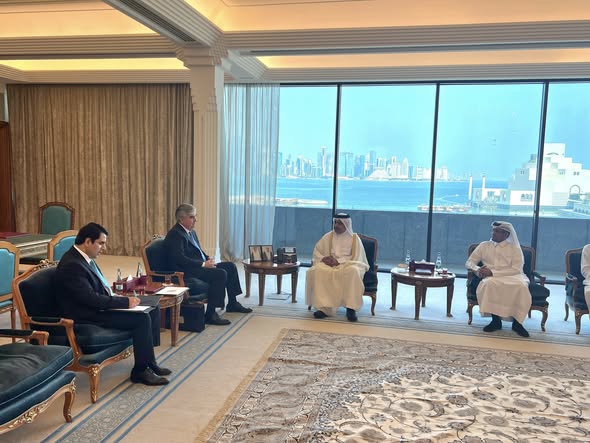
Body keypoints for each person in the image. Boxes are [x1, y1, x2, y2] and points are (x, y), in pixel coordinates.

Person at [54, 222, 171, 386]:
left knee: (152, 305)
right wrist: (124, 302)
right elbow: (89, 299)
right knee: (141, 319)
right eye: (101, 243)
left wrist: (119, 298)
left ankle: (150, 362)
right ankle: (140, 372)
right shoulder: (72, 265)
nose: (104, 248)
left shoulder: (83, 258)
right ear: (87, 241)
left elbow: (98, 289)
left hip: (97, 306)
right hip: (86, 315)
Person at [164, 203, 252, 326]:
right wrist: (203, 264)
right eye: (192, 217)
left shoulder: (191, 232)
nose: (196, 220)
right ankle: (210, 313)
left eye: (195, 216)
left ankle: (232, 303)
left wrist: (207, 258)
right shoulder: (175, 234)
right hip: (186, 271)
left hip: (197, 266)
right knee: (220, 274)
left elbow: (198, 250)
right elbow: (180, 259)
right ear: (181, 219)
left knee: (230, 266)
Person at [465, 221, 531, 337]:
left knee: (522, 286)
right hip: (490, 277)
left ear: (506, 234)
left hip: (513, 276)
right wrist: (478, 270)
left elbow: (516, 269)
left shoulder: (514, 248)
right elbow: (469, 263)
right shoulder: (484, 245)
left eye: (497, 231)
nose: (493, 233)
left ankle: (517, 324)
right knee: (489, 284)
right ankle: (495, 321)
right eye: (493, 230)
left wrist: (493, 272)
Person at [305, 213, 369, 322]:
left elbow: (358, 258)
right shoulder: (328, 236)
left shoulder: (354, 239)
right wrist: (324, 259)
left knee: (353, 271)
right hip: (330, 265)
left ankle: (351, 308)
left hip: (348, 264)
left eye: (339, 223)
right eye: (335, 222)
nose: (336, 225)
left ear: (346, 224)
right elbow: (318, 252)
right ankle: (324, 309)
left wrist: (339, 261)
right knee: (318, 270)